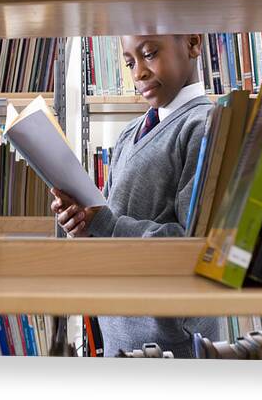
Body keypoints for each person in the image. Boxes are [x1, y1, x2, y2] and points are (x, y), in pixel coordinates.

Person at [50, 34, 220, 358]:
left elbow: (195, 246)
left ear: (193, 43)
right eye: (130, 63)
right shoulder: (130, 132)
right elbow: (109, 227)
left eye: (150, 54)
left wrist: (108, 224)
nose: (138, 72)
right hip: (119, 336)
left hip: (171, 346)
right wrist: (85, 225)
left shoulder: (203, 127)